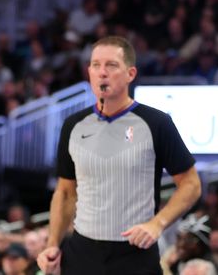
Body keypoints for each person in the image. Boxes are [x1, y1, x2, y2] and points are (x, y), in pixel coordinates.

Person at [38, 36, 201, 275]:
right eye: (96, 65)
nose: (102, 72)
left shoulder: (156, 123)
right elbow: (64, 192)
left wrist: (158, 224)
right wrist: (52, 244)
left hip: (134, 254)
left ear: (130, 74)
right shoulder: (73, 125)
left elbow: (191, 184)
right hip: (82, 253)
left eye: (111, 65)